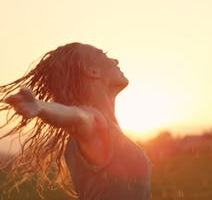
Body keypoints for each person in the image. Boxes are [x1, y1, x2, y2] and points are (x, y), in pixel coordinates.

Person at [0, 42, 151, 200]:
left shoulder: (105, 127)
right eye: (104, 55)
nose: (115, 60)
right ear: (93, 71)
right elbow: (79, 117)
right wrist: (41, 107)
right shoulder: (94, 124)